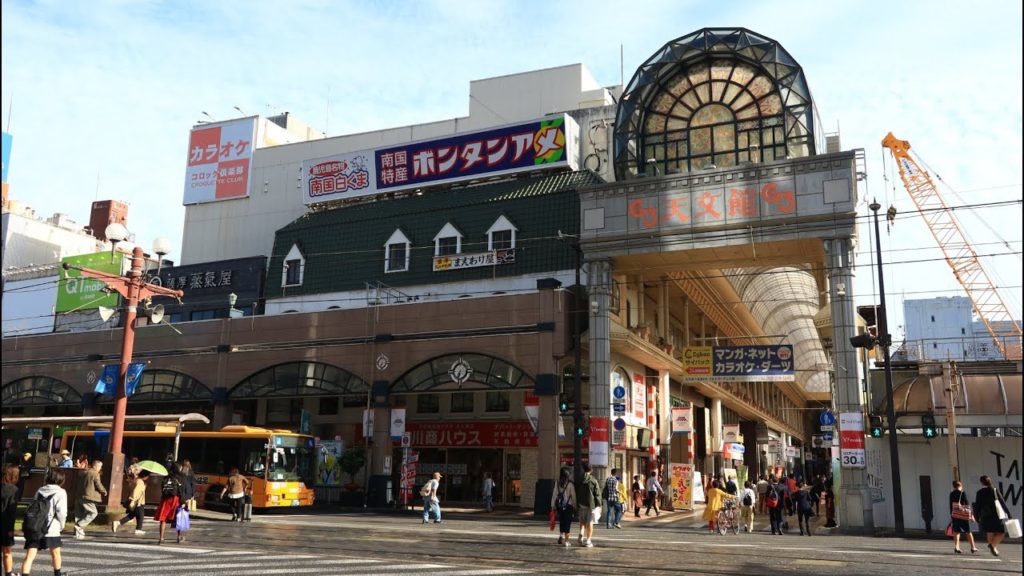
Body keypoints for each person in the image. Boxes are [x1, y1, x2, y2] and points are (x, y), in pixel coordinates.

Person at [20, 468, 67, 576]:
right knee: (55, 553)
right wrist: (61, 525)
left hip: (36, 527)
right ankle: (57, 574)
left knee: (30, 555)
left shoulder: (40, 490)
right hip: (51, 528)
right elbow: (62, 512)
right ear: (61, 479)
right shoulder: (61, 492)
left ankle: (25, 574)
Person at [974, 475, 1010, 556]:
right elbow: (1002, 503)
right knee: (1001, 532)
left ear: (981, 482)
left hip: (985, 516)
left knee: (990, 532)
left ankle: (992, 547)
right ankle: (993, 546)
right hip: (996, 515)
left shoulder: (979, 492)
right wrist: (1009, 514)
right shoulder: (994, 490)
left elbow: (977, 506)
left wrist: (976, 517)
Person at [73, 459, 107, 539]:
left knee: (79, 515)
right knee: (93, 513)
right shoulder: (95, 474)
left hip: (78, 495)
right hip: (87, 496)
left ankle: (77, 532)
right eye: (100, 466)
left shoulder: (84, 472)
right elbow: (98, 484)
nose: (100, 468)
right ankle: (79, 526)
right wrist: (104, 491)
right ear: (96, 466)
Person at [113, 469, 149, 535]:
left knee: (131, 515)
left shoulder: (135, 480)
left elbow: (131, 489)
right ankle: (138, 529)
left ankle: (118, 523)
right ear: (145, 476)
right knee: (140, 516)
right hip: (138, 502)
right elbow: (137, 491)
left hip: (134, 501)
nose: (147, 478)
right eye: (147, 476)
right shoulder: (140, 482)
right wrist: (133, 499)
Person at [154, 463, 182, 545]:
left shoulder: (166, 477)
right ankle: (179, 537)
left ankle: (161, 538)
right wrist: (183, 501)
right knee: (178, 518)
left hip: (165, 499)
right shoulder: (178, 478)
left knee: (163, 519)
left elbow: (162, 487)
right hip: (175, 499)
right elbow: (180, 491)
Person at [575, 463, 601, 547]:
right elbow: (597, 493)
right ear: (591, 470)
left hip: (580, 503)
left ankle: (580, 535)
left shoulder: (579, 479)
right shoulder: (593, 480)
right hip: (590, 505)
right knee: (590, 523)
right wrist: (599, 504)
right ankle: (588, 541)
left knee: (582, 521)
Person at [550, 467, 577, 547]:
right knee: (567, 524)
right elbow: (573, 496)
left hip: (559, 506)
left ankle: (561, 536)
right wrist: (575, 506)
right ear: (568, 475)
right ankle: (566, 541)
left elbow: (554, 495)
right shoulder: (570, 484)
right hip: (568, 506)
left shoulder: (557, 482)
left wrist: (553, 506)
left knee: (561, 521)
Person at [950, 480, 978, 554]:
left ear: (953, 486)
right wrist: (971, 515)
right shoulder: (962, 493)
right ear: (961, 486)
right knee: (968, 531)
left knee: (956, 531)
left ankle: (957, 547)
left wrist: (952, 515)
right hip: (963, 515)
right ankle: (973, 547)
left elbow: (951, 505)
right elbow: (967, 504)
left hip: (955, 515)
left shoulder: (951, 494)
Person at [2, 464, 20, 576]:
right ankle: (8, 573)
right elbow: (12, 511)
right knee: (7, 551)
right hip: (5, 523)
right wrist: (11, 529)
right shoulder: (14, 490)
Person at [175, 461, 196, 543]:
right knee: (184, 516)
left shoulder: (179, 473)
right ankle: (181, 535)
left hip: (180, 497)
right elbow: (193, 486)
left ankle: (179, 535)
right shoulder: (191, 473)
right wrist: (192, 496)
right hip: (187, 497)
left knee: (179, 515)